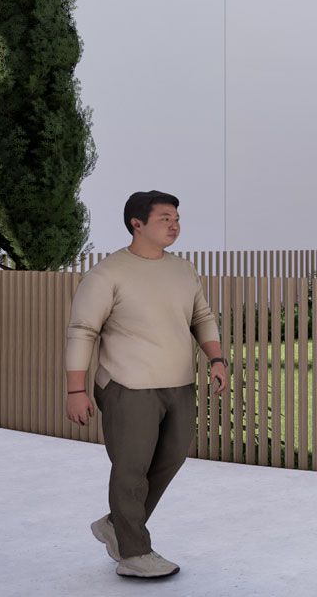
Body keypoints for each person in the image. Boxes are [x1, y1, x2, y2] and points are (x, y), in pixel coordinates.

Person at [65, 190, 227, 580]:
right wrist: (76, 390)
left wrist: (217, 358)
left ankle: (114, 525)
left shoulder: (183, 270)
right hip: (127, 384)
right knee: (131, 468)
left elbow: (201, 316)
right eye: (164, 218)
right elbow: (82, 331)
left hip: (179, 383)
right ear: (137, 224)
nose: (174, 225)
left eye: (176, 218)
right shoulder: (107, 274)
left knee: (171, 457)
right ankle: (134, 552)